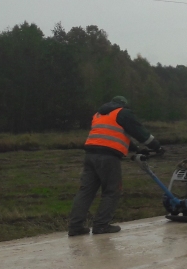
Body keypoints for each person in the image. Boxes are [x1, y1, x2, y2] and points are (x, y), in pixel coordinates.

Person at [68, 96, 162, 236]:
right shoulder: (123, 113)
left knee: (85, 191)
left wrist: (136, 150)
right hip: (108, 158)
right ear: (123, 105)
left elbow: (116, 134)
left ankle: (75, 227)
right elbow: (140, 133)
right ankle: (101, 225)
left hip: (90, 155)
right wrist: (157, 147)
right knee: (112, 191)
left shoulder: (99, 114)